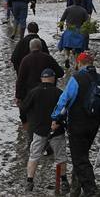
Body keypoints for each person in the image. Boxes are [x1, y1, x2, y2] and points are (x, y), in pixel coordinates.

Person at [51, 52, 100, 196]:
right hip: (94, 124)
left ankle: (91, 191)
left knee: (79, 160)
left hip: (77, 124)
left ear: (79, 63)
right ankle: (75, 190)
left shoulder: (77, 78)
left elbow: (64, 100)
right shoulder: (98, 79)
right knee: (82, 154)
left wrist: (55, 118)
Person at [21, 68, 70, 193]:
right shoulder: (59, 93)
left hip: (38, 130)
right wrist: (60, 123)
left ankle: (29, 181)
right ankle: (64, 181)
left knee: (34, 156)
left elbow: (24, 108)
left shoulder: (34, 92)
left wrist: (25, 121)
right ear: (53, 78)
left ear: (42, 78)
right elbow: (66, 110)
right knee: (61, 156)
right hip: (57, 130)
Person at [16, 39, 64, 129]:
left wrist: (18, 96)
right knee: (48, 116)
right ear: (41, 47)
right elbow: (60, 73)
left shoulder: (25, 60)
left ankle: (32, 138)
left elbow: (20, 80)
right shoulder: (48, 58)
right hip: (49, 94)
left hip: (31, 95)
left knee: (32, 119)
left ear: (30, 48)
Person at [58, 0, 90, 68]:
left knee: (67, 47)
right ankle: (76, 64)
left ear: (73, 1)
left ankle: (66, 57)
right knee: (78, 50)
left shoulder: (68, 9)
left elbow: (62, 19)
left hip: (69, 31)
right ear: (81, 2)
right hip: (78, 32)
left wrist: (61, 27)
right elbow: (87, 23)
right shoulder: (83, 11)